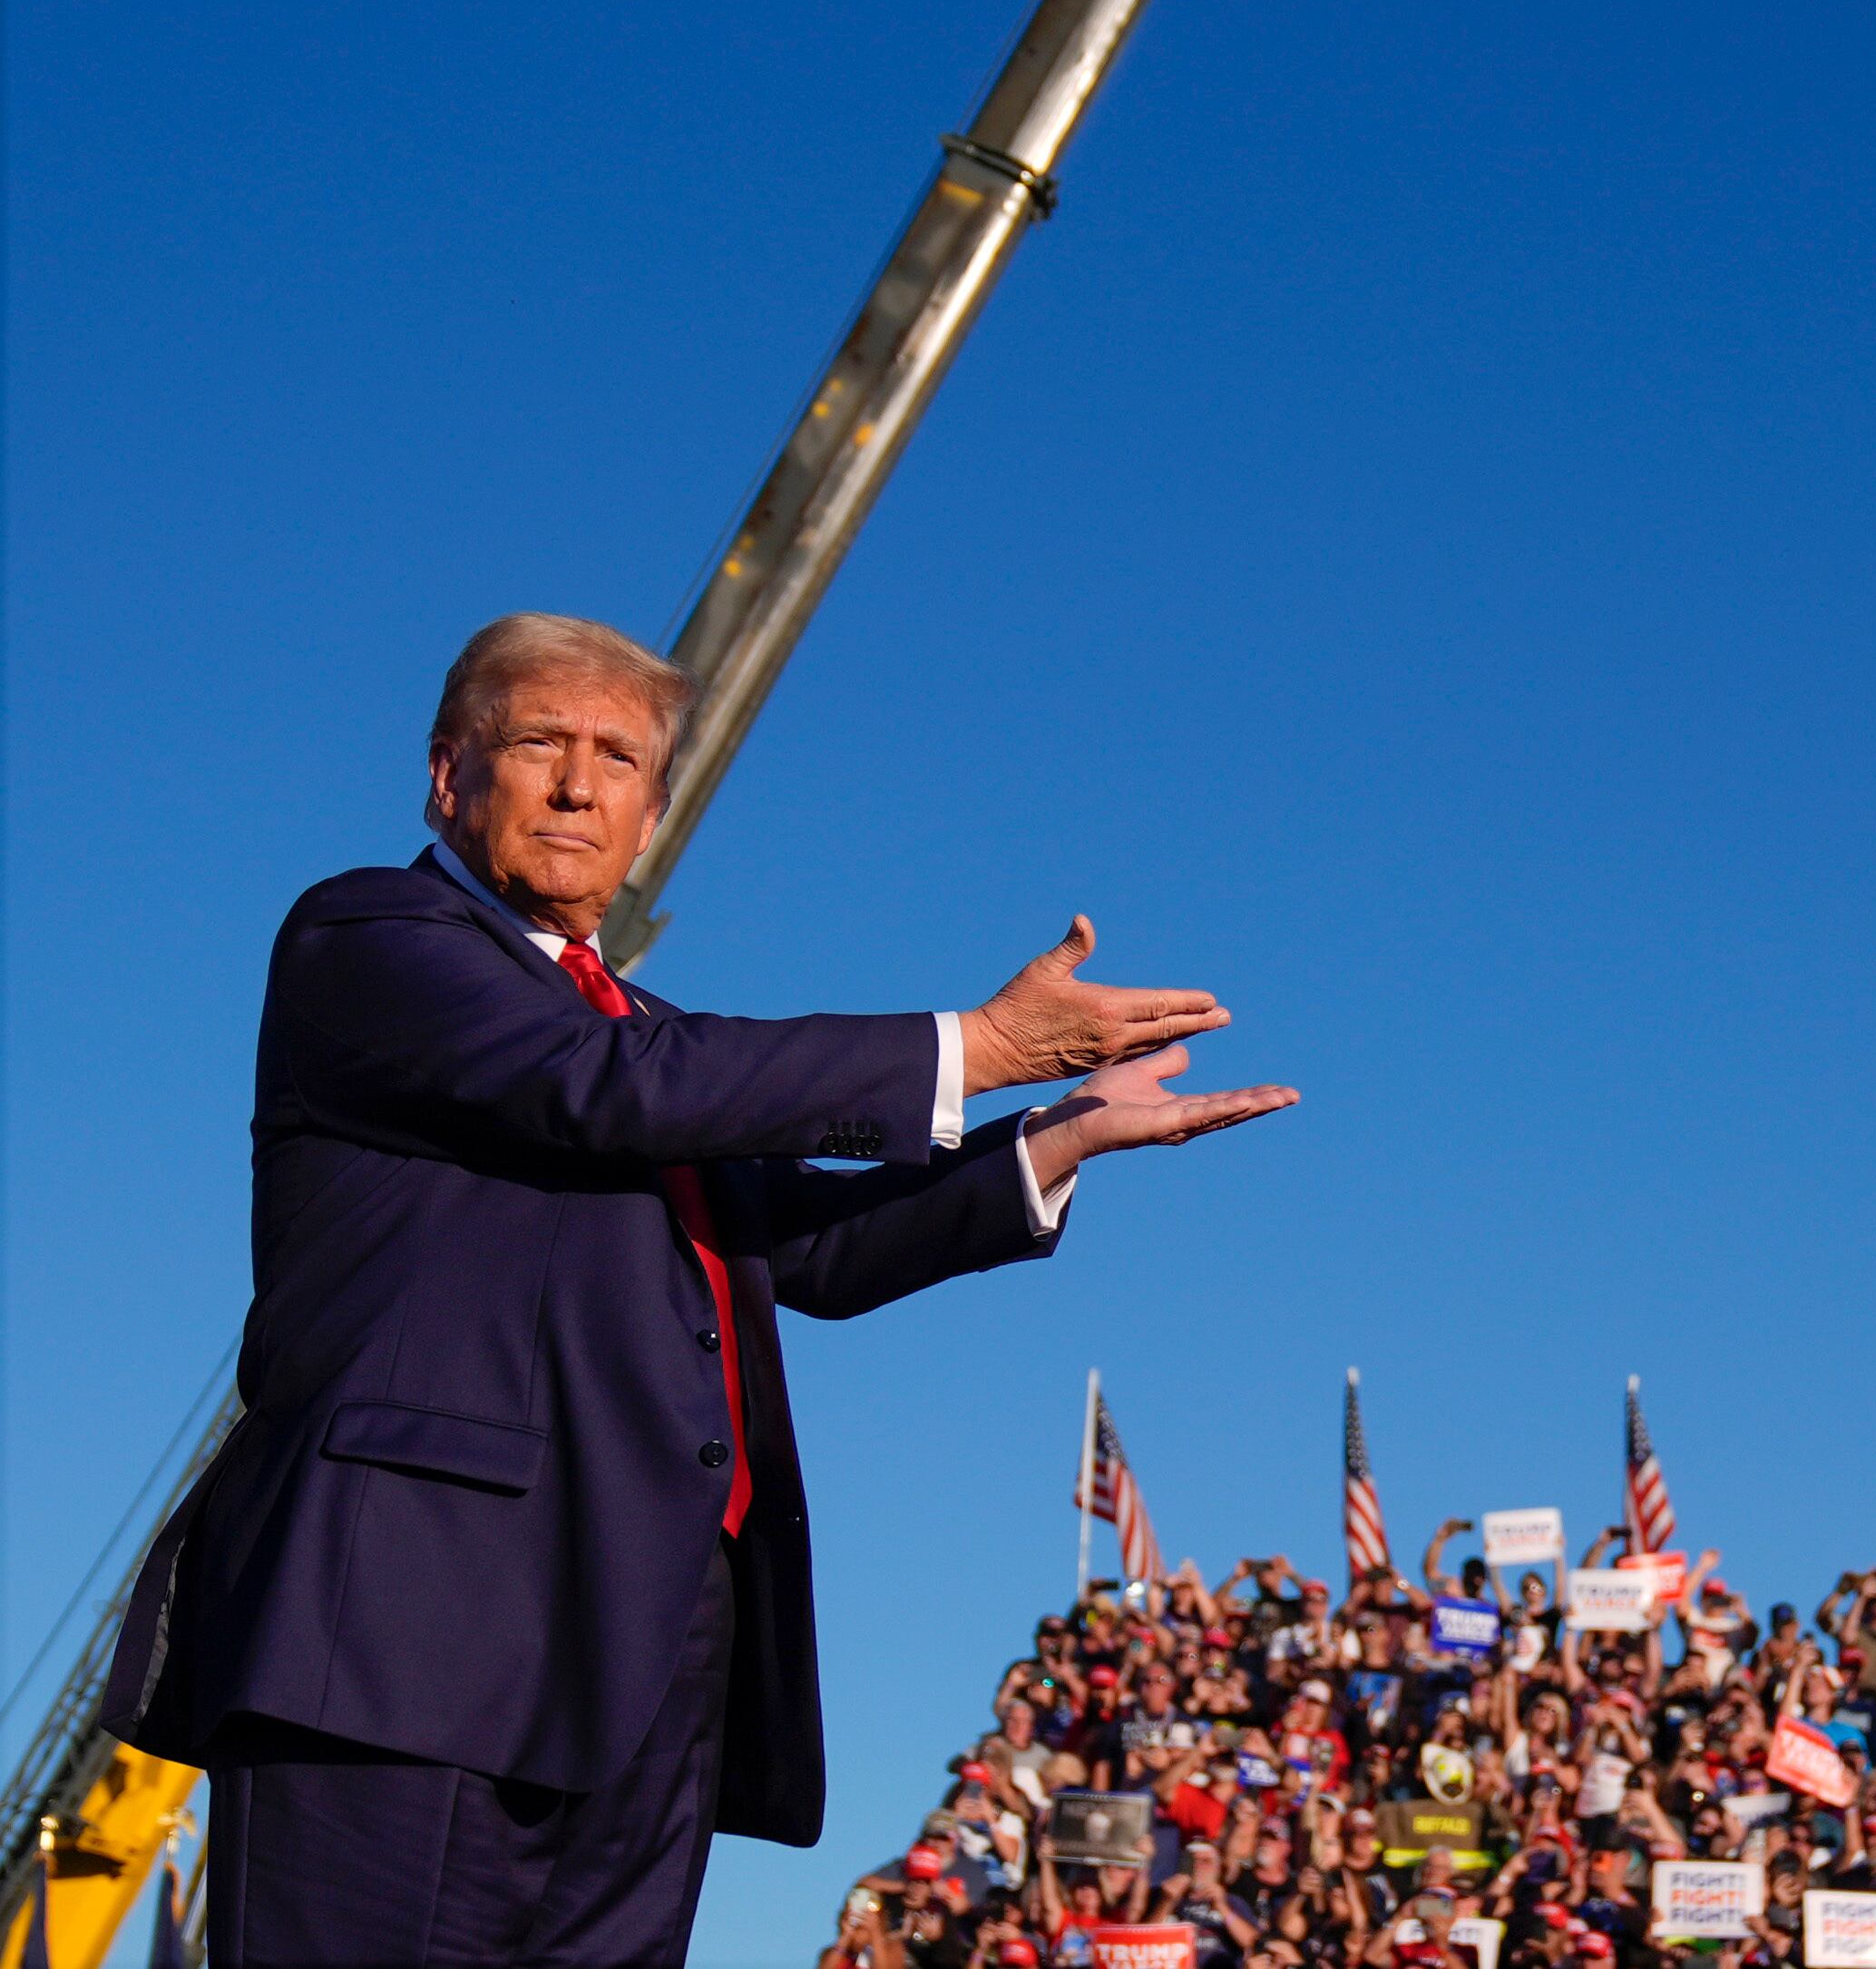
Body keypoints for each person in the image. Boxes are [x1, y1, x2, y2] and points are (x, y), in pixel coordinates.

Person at [101, 612, 1299, 1967]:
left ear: (651, 819)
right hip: (405, 1639)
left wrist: (1051, 1140)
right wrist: (972, 1047)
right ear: (447, 777)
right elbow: (596, 1090)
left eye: (618, 759)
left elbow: (808, 1247)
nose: (578, 785)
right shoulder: (371, 936)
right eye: (540, 743)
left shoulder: (654, 1042)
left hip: (651, 1654)